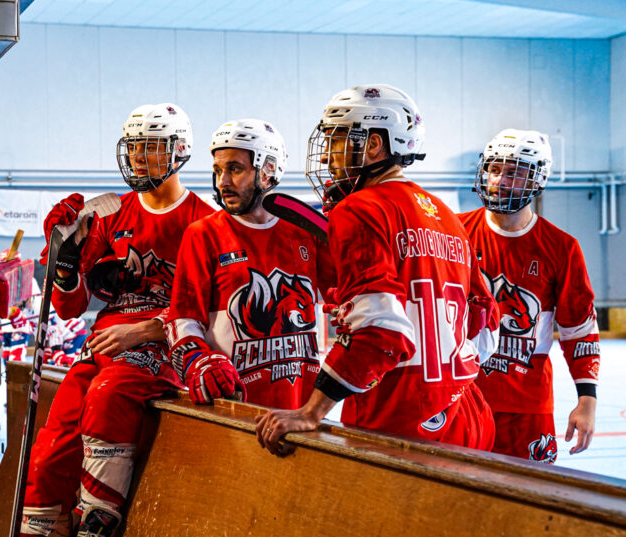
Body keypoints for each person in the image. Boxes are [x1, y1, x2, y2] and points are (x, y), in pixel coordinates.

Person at [0, 102, 214, 537]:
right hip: (103, 344)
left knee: (109, 395)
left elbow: (209, 307)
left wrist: (145, 329)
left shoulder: (204, 221)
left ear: (179, 151)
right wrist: (64, 259)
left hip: (164, 346)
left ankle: (96, 530)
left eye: (153, 146)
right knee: (47, 450)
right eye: (135, 146)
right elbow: (70, 306)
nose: (141, 157)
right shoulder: (107, 213)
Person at [255, 84, 499, 453]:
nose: (326, 159)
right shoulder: (448, 217)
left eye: (337, 142)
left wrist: (312, 410)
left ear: (372, 144)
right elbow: (485, 326)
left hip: (398, 420)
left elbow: (380, 330)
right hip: (467, 416)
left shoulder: (359, 209)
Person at [166, 118, 335, 407]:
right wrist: (198, 360)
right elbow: (182, 319)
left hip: (303, 410)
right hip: (235, 409)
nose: (223, 182)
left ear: (268, 170)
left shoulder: (304, 230)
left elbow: (345, 298)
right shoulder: (202, 234)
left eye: (235, 169)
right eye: (218, 170)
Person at [458, 129, 600, 463]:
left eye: (515, 172)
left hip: (526, 406)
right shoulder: (455, 232)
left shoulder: (561, 248)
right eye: (495, 169)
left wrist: (587, 401)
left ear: (537, 181)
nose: (501, 181)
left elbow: (579, 330)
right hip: (461, 396)